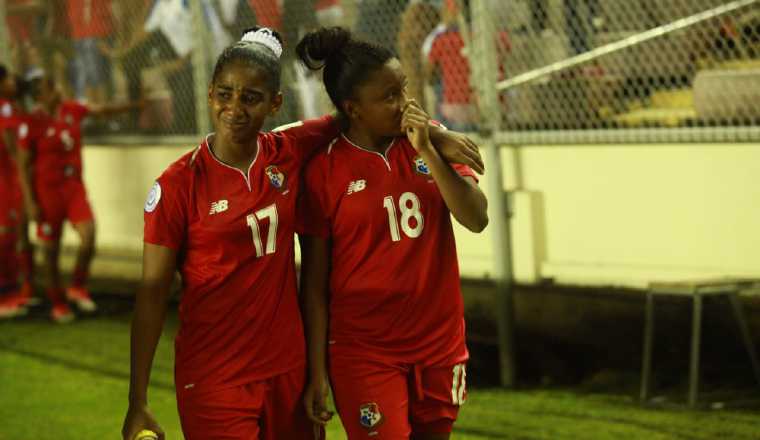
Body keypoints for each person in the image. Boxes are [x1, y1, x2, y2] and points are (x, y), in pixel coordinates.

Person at [120, 26, 482, 440]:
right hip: (215, 374)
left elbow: (354, 114)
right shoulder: (177, 186)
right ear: (208, 94)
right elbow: (151, 293)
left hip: (288, 371)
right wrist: (138, 399)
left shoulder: (287, 152)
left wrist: (435, 134)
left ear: (274, 103)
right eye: (224, 93)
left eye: (251, 98)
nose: (234, 108)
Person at [296, 27, 489, 440]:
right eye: (389, 97)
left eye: (403, 88)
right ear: (354, 109)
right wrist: (316, 373)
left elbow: (476, 218)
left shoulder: (431, 140)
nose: (405, 103)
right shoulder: (324, 172)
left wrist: (429, 151)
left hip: (440, 345)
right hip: (365, 352)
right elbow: (313, 285)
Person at [15, 71, 142, 323]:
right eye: (50, 87)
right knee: (50, 250)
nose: (58, 89)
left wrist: (135, 105)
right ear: (40, 96)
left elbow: (102, 110)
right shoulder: (31, 123)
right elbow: (22, 165)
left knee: (89, 235)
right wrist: (30, 202)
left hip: (73, 188)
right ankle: (58, 303)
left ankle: (77, 285)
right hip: (46, 192)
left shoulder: (72, 109)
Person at [0, 66, 33, 318]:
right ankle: (6, 297)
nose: (14, 81)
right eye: (10, 78)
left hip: (10, 179)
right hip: (7, 180)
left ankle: (21, 290)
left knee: (16, 234)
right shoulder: (6, 107)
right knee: (7, 235)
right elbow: (13, 150)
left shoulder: (14, 107)